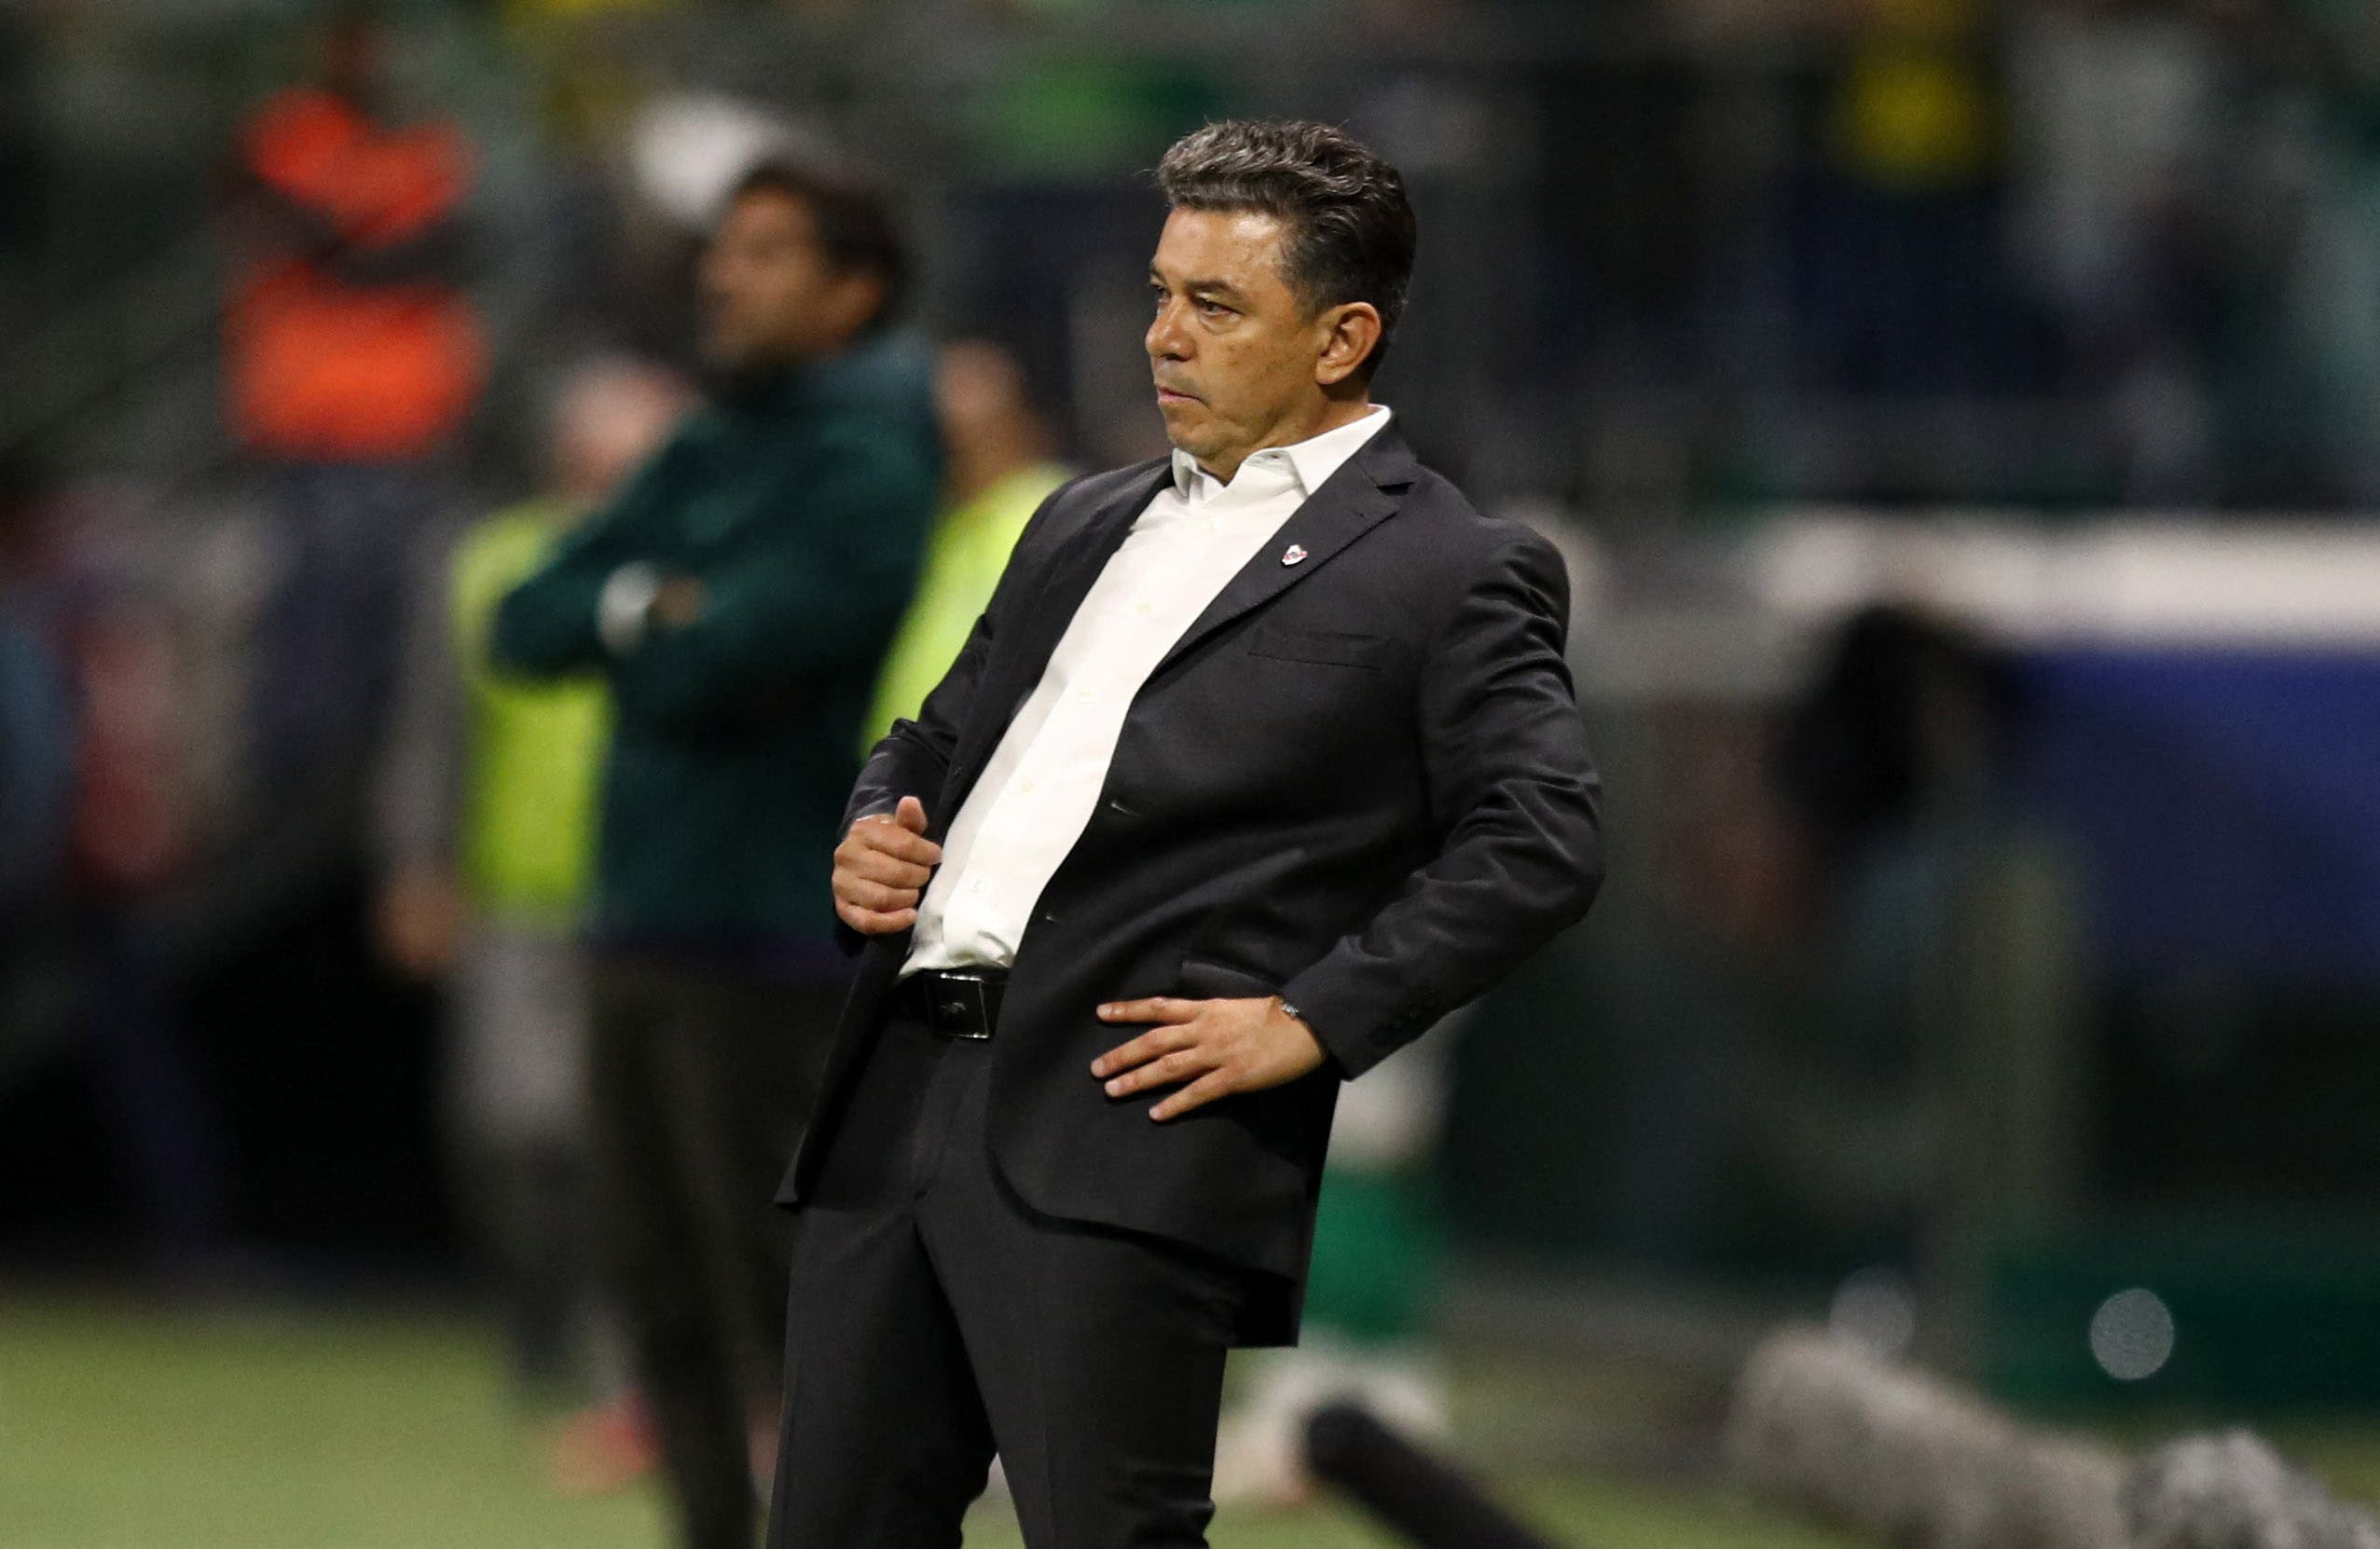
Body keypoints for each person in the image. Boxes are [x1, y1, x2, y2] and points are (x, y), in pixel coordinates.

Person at [770, 119, 1604, 1547]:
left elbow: (1542, 836)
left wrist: (1315, 1014)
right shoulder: (1078, 519)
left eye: (1214, 305)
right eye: (1161, 293)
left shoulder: (1449, 568)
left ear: (1343, 336)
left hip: (1120, 1129)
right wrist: (870, 826)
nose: (1165, 336)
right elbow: (932, 740)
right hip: (899, 1092)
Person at [490, 158, 938, 1549]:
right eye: (722, 248)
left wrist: (652, 626)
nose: (721, 277)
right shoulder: (708, 439)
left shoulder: (867, 452)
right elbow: (526, 620)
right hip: (642, 916)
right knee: (662, 1293)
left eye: (765, 253)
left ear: (852, 290)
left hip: (766, 936)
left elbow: (740, 653)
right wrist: (655, 606)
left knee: (782, 1296)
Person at [372, 357, 693, 1487]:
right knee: (510, 1129)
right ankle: (539, 1315)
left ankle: (625, 1368)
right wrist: (419, 864)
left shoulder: (704, 562)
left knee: (620, 1140)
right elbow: (431, 727)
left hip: (653, 901)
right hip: (515, 895)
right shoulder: (495, 559)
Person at [860, 338, 1072, 752]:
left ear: (1028, 419)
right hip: (909, 782)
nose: (954, 412)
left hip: (984, 778)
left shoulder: (1052, 513)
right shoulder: (946, 521)